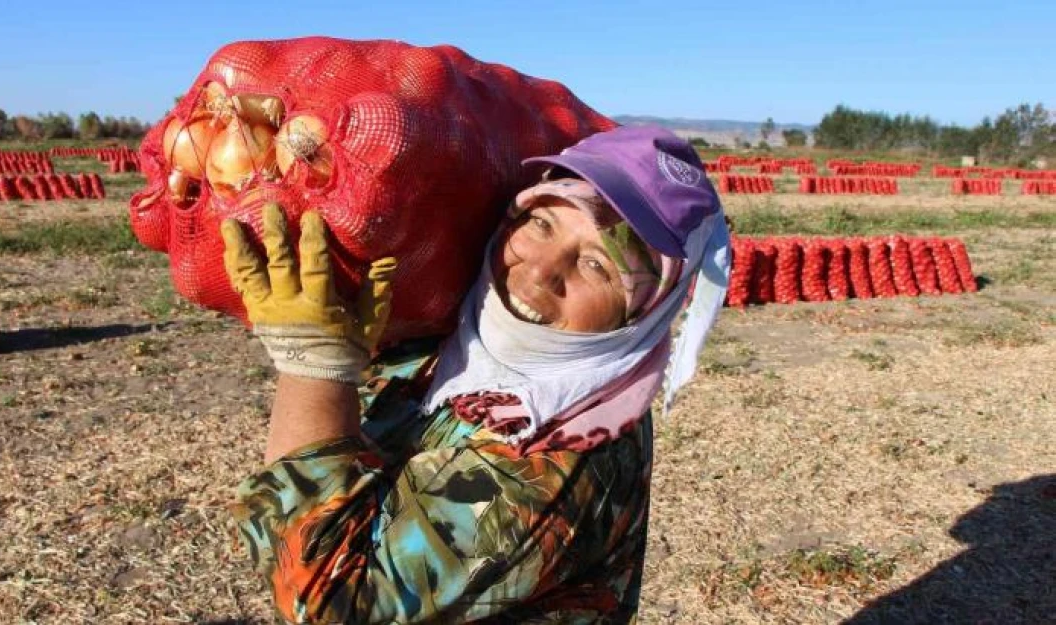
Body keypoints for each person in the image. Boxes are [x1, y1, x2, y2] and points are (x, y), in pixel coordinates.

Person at [222, 125, 730, 624]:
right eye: (542, 224)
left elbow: (335, 600)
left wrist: (313, 363)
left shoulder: (555, 461)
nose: (540, 271)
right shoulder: (452, 339)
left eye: (597, 266)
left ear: (642, 314)